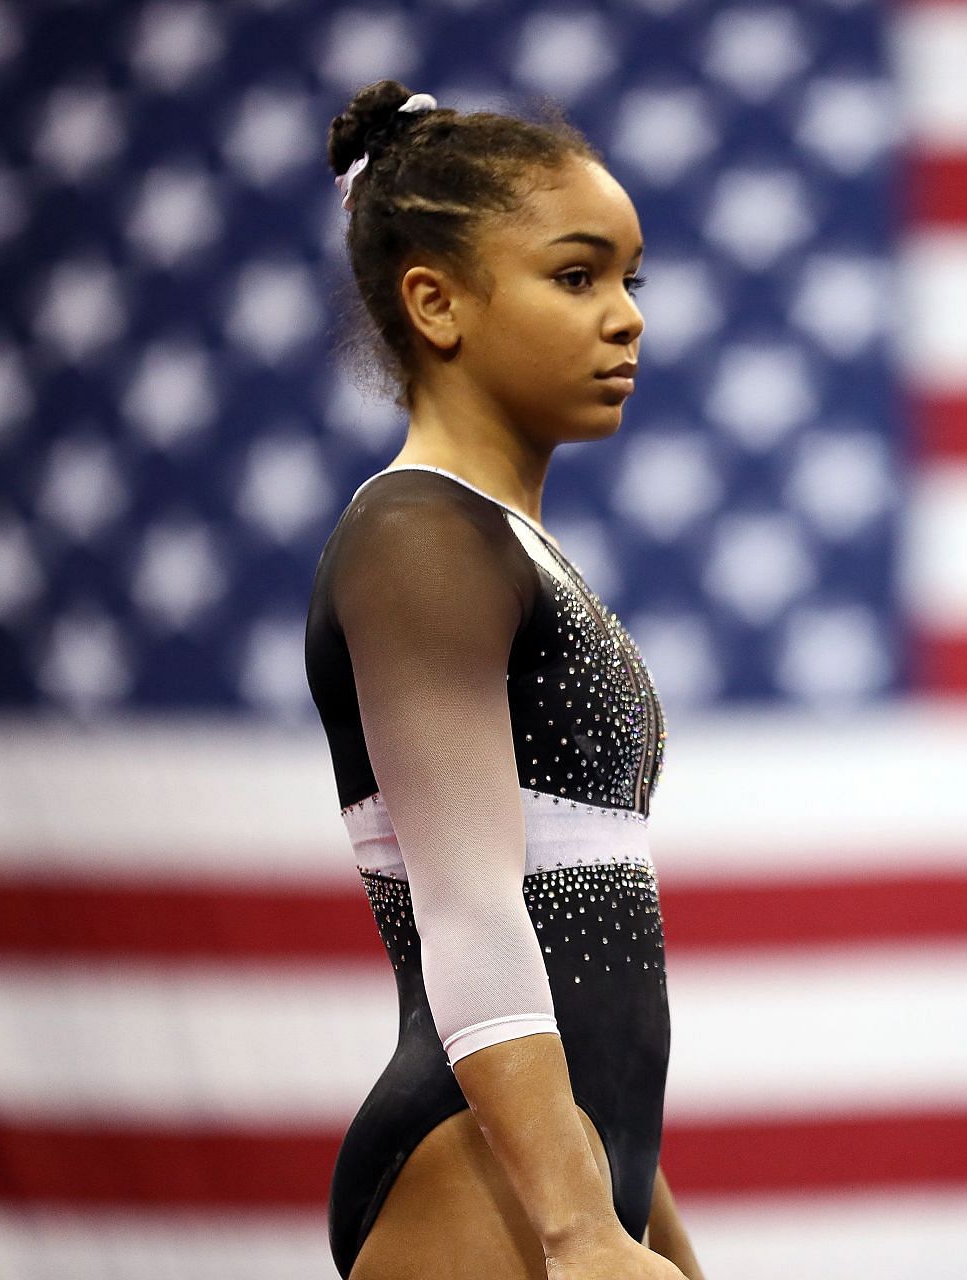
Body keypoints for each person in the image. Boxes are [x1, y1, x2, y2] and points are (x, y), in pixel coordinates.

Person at [303, 79, 702, 1280]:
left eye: (634, 278)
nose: (626, 317)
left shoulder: (502, 543)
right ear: (435, 301)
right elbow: (473, 904)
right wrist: (580, 1223)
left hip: (559, 1155)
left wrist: (650, 1226)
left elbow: (578, 953)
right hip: (477, 1163)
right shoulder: (417, 537)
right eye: (578, 276)